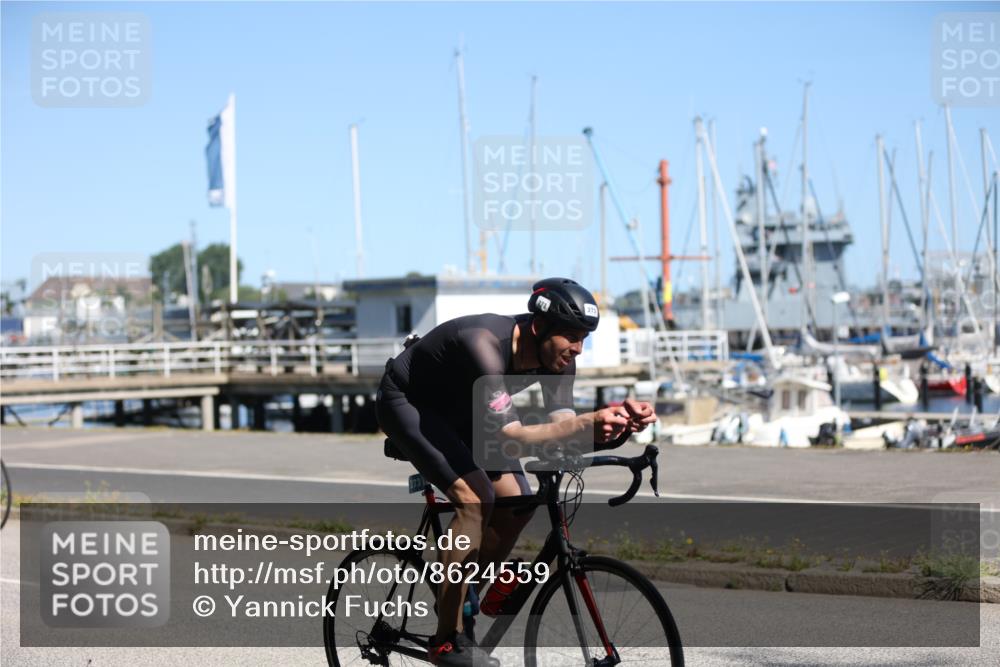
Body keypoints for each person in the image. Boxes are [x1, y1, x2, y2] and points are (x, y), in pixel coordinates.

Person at [375, 277, 657, 667]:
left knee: (518, 504)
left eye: (583, 339)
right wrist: (586, 422)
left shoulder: (561, 361)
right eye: (570, 337)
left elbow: (562, 433)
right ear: (539, 327)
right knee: (476, 501)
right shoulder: (483, 344)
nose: (577, 348)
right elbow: (515, 436)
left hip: (468, 412)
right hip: (411, 403)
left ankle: (461, 594)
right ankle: (445, 640)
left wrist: (615, 429)